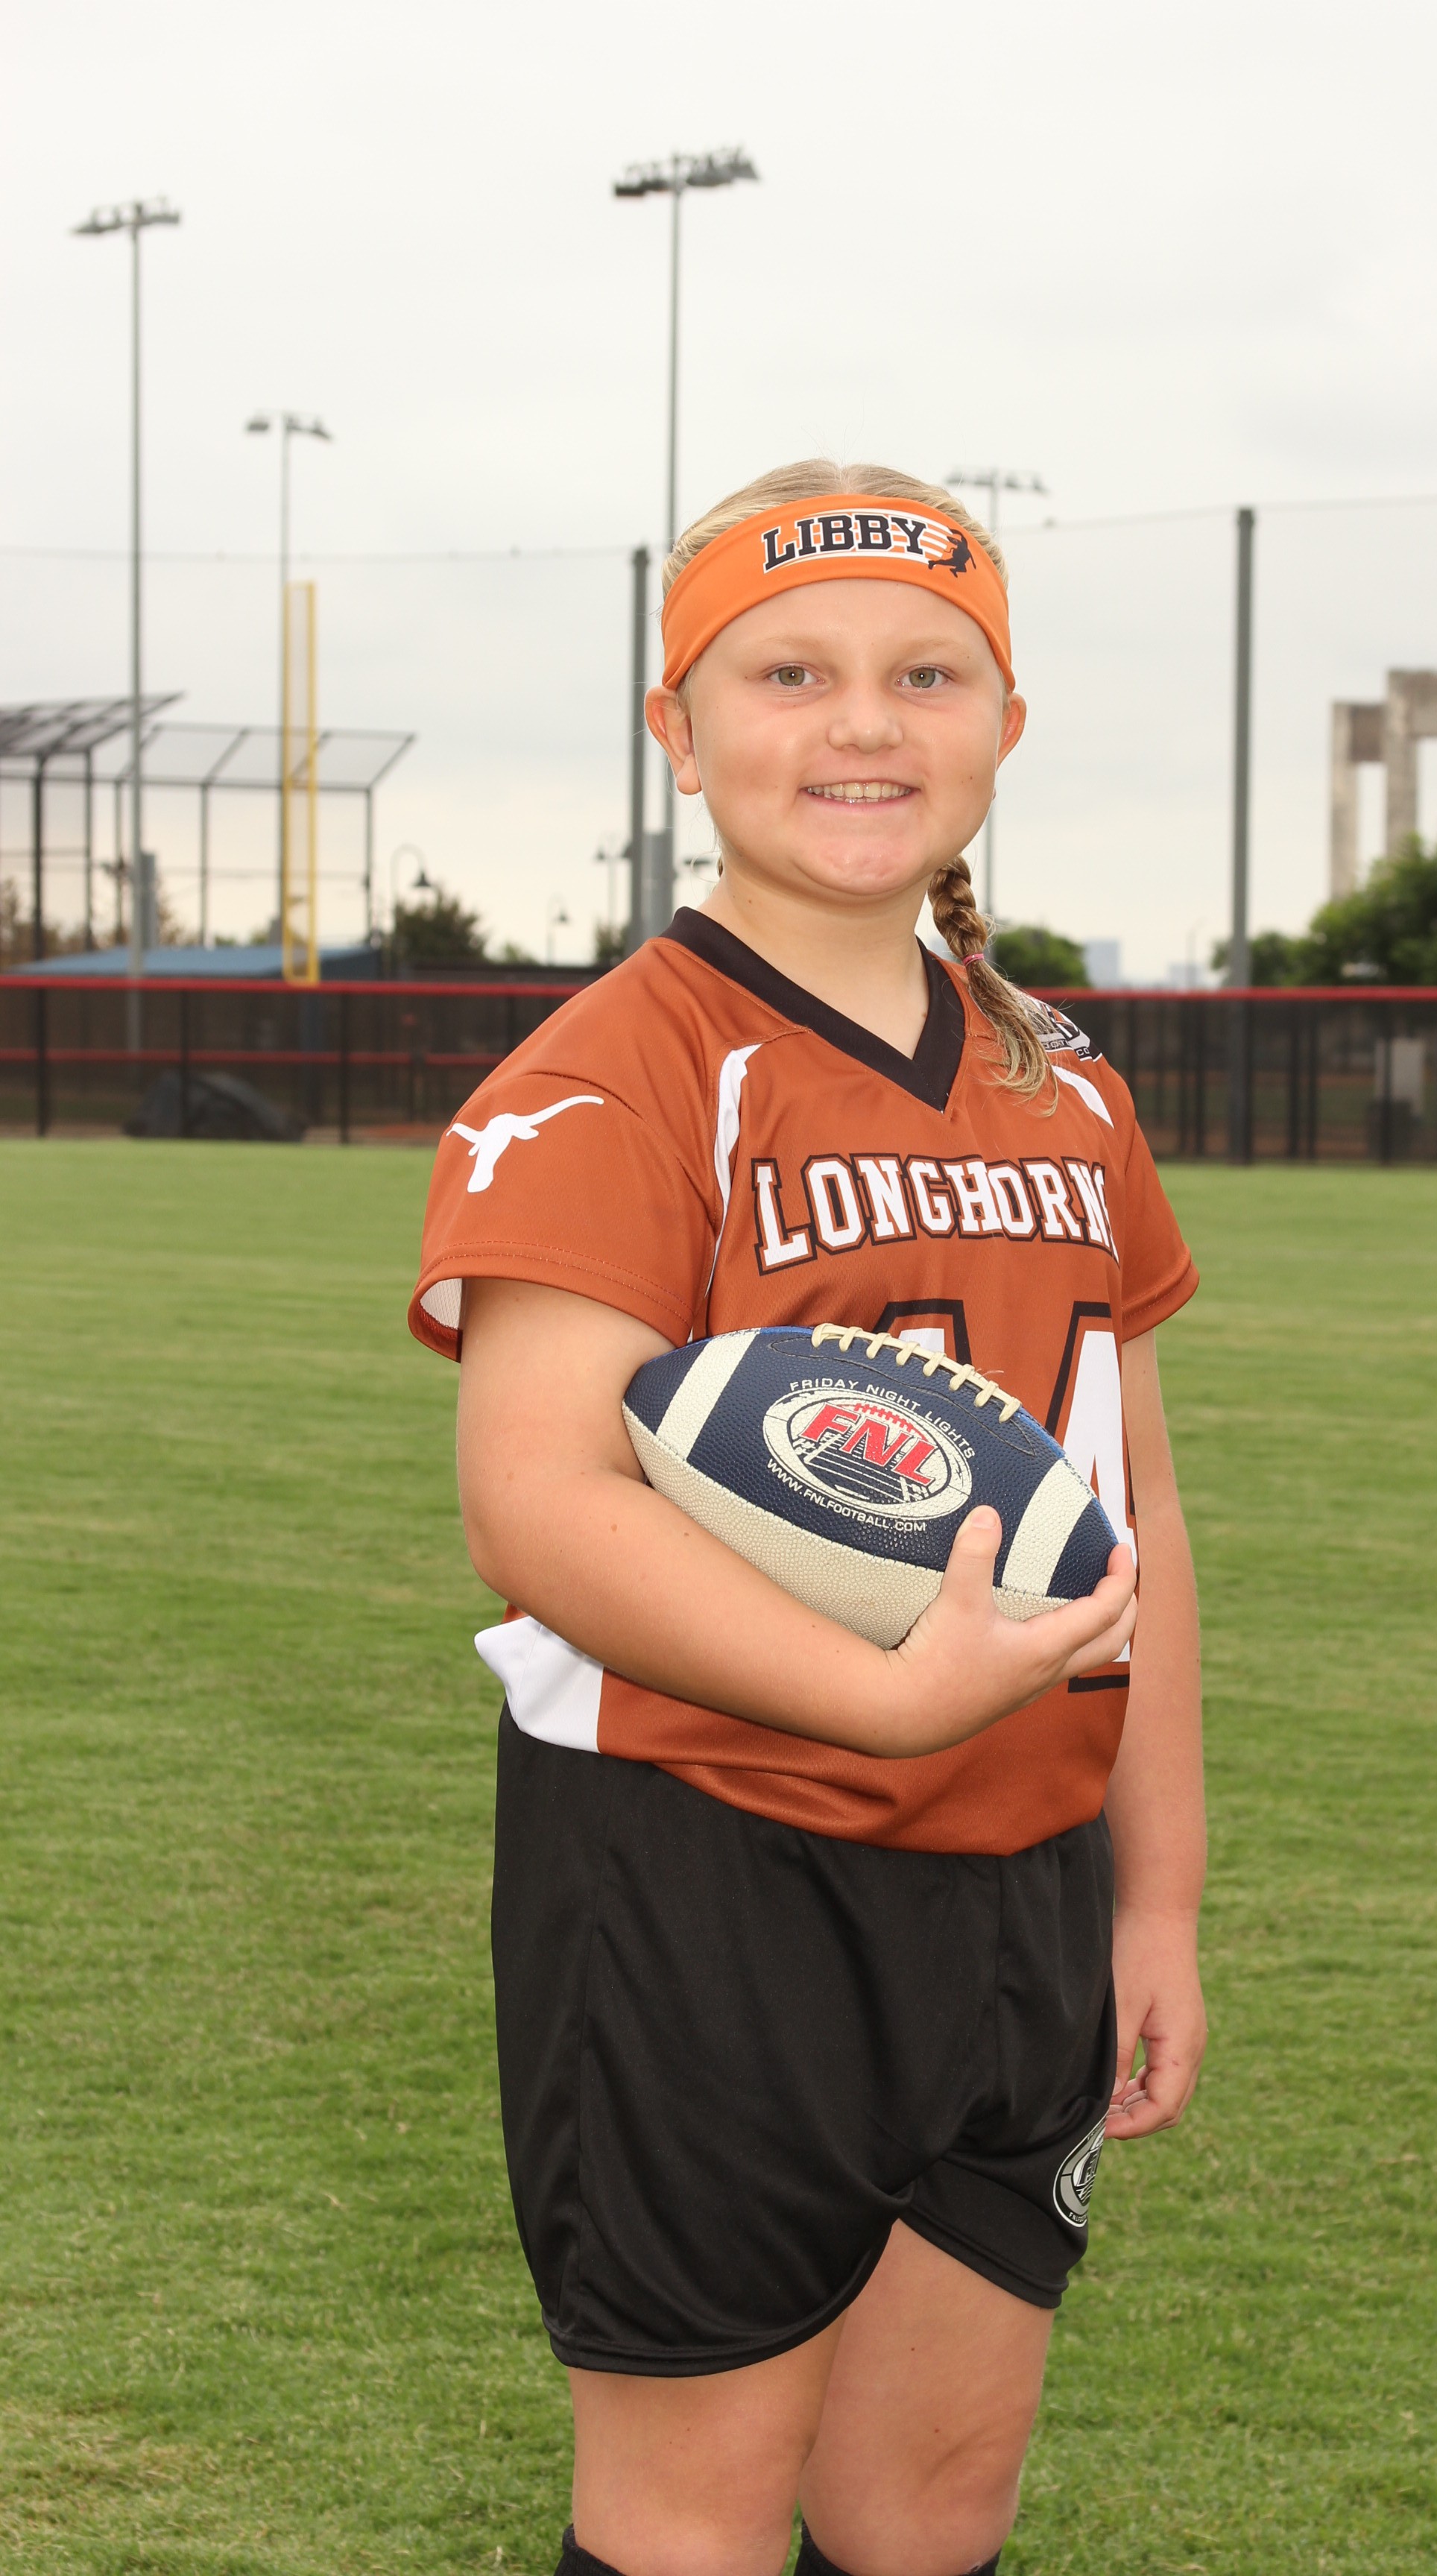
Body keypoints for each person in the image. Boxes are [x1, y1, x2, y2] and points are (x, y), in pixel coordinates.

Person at [409, 462, 1207, 2576]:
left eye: (927, 674)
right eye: (789, 674)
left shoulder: (1064, 1085)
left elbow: (1131, 1517)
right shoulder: (615, 1070)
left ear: (1006, 725)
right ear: (677, 730)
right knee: (691, 2516)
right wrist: (889, 1696)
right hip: (708, 1865)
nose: (863, 722)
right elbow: (534, 1500)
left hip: (1025, 1873)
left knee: (931, 2506)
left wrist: (1158, 1901)